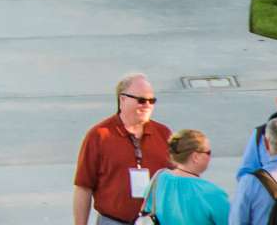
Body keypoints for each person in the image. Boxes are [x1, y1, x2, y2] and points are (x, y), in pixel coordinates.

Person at [75, 74, 173, 225]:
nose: (147, 105)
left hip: (155, 221)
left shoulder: (163, 134)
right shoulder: (99, 136)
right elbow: (83, 187)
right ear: (122, 99)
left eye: (151, 101)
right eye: (141, 100)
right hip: (113, 221)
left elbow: (179, 180)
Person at [147, 130, 230, 225]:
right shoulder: (212, 193)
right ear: (195, 157)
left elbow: (148, 209)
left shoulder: (159, 178)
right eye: (208, 152)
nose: (210, 157)